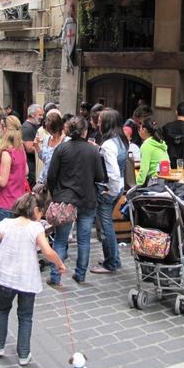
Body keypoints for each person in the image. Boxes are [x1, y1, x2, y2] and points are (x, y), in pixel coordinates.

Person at [0, 188, 66, 366]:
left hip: (6, 278)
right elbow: (47, 251)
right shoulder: (36, 227)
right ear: (36, 210)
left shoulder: (6, 223)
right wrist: (59, 264)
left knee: (2, 310)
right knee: (25, 316)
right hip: (27, 279)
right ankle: (23, 354)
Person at [46, 116, 105, 287]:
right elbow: (100, 176)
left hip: (65, 199)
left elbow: (51, 176)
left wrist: (56, 193)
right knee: (84, 240)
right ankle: (80, 274)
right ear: (85, 131)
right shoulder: (93, 150)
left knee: (60, 239)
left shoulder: (61, 149)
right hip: (87, 198)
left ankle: (55, 276)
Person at [90, 109, 128, 274]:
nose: (98, 124)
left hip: (108, 188)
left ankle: (111, 263)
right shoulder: (121, 140)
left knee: (105, 228)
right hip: (119, 186)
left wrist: (110, 191)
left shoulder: (108, 145)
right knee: (107, 225)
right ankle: (113, 259)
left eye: (100, 121)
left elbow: (113, 172)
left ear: (107, 123)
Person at [33, 111, 65, 184]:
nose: (49, 131)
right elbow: (45, 159)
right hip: (44, 179)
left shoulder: (66, 141)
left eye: (50, 129)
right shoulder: (47, 139)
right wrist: (37, 146)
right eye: (47, 129)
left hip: (58, 181)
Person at [136, 118, 169, 186]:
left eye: (139, 128)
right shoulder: (161, 143)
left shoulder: (146, 145)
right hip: (166, 180)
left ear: (144, 130)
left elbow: (144, 169)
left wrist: (137, 184)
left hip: (154, 181)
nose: (139, 131)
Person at [22, 104, 43, 188]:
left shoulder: (34, 126)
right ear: (32, 115)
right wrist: (43, 149)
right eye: (40, 115)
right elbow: (29, 148)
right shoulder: (27, 128)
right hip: (31, 166)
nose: (42, 117)